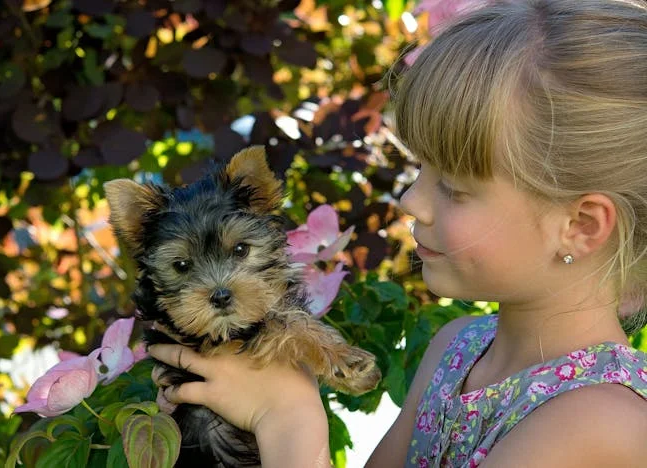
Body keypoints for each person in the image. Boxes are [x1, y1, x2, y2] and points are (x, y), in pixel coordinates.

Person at [147, 0, 647, 465]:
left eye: (453, 187)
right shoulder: (459, 348)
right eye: (419, 169)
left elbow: (292, 428)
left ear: (579, 227)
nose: (411, 200)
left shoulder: (598, 423)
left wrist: (287, 418)